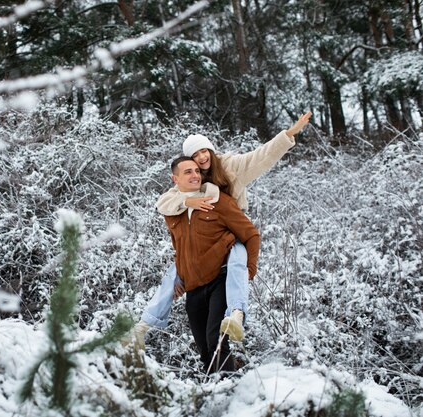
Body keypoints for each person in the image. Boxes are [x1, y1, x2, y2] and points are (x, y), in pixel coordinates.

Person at [127, 112, 312, 347]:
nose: (201, 157)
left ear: (211, 150)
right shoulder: (194, 180)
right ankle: (144, 325)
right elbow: (164, 202)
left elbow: (262, 156)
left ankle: (236, 314)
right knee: (173, 273)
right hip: (205, 240)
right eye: (195, 155)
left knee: (237, 264)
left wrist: (289, 134)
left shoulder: (230, 167)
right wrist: (187, 202)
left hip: (231, 230)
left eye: (204, 151)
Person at [164, 156, 260, 373]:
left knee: (216, 340)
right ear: (175, 178)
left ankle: (229, 390)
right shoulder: (174, 211)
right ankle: (213, 390)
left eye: (197, 171)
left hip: (220, 279)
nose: (195, 175)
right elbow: (180, 247)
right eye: (188, 172)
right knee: (204, 348)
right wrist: (179, 276)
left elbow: (251, 235)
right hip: (194, 287)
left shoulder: (218, 201)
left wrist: (249, 271)